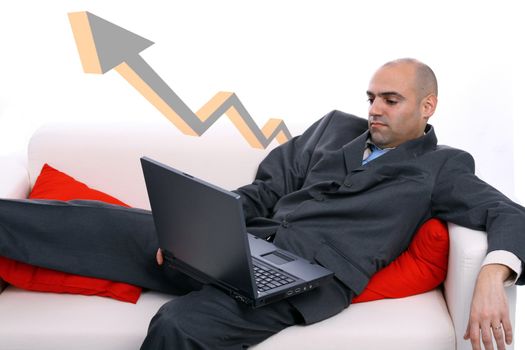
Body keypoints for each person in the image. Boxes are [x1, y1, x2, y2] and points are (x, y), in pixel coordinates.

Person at [0, 58, 523, 350]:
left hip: (308, 277)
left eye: (391, 100)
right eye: (371, 97)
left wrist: (490, 275)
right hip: (244, 244)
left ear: (427, 106)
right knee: (93, 222)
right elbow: (265, 190)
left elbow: (510, 214)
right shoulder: (333, 129)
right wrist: (197, 231)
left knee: (178, 326)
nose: (375, 110)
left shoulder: (443, 167)